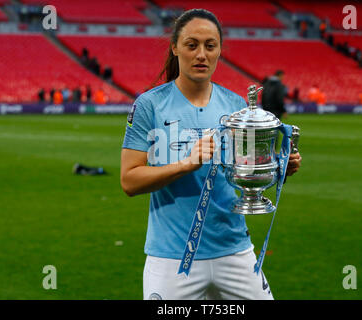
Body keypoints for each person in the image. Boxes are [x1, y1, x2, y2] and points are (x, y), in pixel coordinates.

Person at [120, 9, 302, 300]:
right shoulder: (149, 105)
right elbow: (129, 181)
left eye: (210, 45)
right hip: (171, 257)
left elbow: (245, 169)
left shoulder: (235, 105)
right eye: (192, 45)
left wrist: (278, 167)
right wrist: (185, 164)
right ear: (175, 47)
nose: (201, 54)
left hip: (234, 250)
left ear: (219, 50)